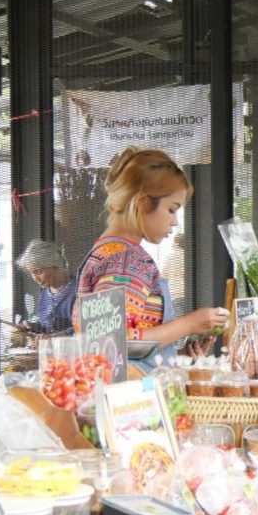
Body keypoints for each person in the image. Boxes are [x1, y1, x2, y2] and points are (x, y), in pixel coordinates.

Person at [72, 146, 229, 368]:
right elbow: (112, 343)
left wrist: (177, 356)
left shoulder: (106, 252)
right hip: (129, 399)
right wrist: (189, 324)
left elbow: (121, 346)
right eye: (172, 209)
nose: (175, 222)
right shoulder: (126, 260)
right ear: (143, 203)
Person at [16, 239, 77, 335]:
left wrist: (60, 336)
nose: (34, 278)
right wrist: (32, 326)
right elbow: (47, 326)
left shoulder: (77, 291)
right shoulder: (45, 292)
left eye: (38, 272)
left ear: (55, 265)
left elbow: (85, 327)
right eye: (31, 273)